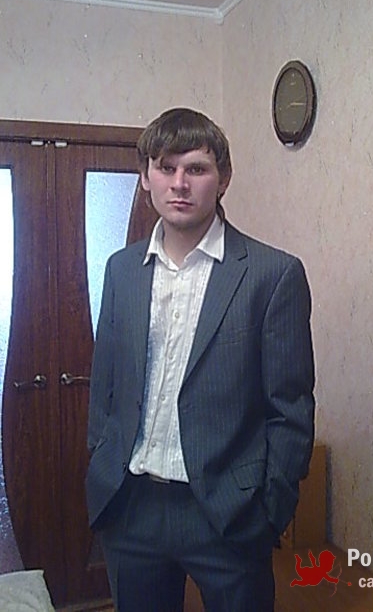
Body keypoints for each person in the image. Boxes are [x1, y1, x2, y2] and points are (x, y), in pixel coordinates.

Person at [86, 107, 315, 612]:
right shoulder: (122, 270)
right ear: (145, 177)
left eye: (196, 168)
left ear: (223, 179)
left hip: (228, 513)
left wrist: (269, 512)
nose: (179, 183)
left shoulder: (272, 275)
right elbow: (106, 383)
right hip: (132, 507)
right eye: (166, 168)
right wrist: (101, 461)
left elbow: (291, 409)